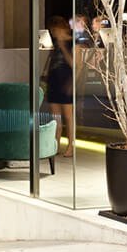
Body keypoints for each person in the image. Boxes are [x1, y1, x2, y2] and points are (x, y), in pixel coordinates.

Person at [43, 15, 76, 157]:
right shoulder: (55, 43)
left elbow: (74, 63)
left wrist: (63, 47)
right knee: (55, 117)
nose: (54, 33)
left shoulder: (72, 42)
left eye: (55, 30)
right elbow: (51, 60)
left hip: (66, 81)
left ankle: (71, 145)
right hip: (54, 80)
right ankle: (55, 143)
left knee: (68, 116)